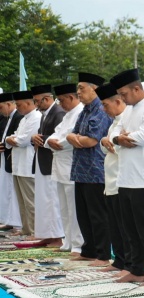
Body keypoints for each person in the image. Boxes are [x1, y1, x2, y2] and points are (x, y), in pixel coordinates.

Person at [109, 69, 144, 286]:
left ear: (137, 88)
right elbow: (114, 133)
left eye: (124, 93)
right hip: (125, 177)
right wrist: (120, 138)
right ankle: (135, 269)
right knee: (130, 229)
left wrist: (123, 137)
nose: (121, 99)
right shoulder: (129, 110)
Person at [67, 72, 112, 265]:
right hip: (80, 169)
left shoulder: (101, 110)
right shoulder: (85, 110)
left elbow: (91, 140)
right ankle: (89, 249)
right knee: (83, 213)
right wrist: (77, 139)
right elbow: (72, 135)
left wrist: (77, 139)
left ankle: (102, 254)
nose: (78, 92)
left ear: (94, 88)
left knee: (97, 214)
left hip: (95, 170)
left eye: (81, 88)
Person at [44, 84, 84, 254]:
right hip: (60, 167)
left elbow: (70, 140)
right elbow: (55, 134)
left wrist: (55, 143)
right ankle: (68, 241)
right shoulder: (68, 115)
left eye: (61, 100)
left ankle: (77, 244)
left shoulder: (80, 113)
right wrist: (50, 142)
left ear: (71, 97)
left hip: (71, 165)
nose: (60, 104)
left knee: (74, 208)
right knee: (64, 208)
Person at [96, 83, 132, 274]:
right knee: (115, 224)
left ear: (117, 101)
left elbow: (127, 144)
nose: (103, 109)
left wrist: (111, 142)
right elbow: (107, 145)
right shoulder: (114, 121)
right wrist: (104, 140)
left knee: (124, 226)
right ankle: (118, 259)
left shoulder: (128, 119)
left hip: (122, 179)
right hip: (110, 179)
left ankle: (128, 262)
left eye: (105, 105)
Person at [30, 84, 66, 247]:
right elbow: (42, 136)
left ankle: (57, 236)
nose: (36, 105)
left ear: (47, 98)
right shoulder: (45, 114)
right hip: (42, 160)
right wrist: (35, 138)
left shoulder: (58, 113)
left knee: (52, 200)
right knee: (44, 200)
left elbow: (60, 137)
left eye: (38, 101)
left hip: (52, 161)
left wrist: (42, 138)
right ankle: (48, 234)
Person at [5, 91, 41, 239]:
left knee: (30, 200)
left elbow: (22, 140)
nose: (18, 108)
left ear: (28, 103)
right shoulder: (24, 119)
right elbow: (12, 138)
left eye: (19, 105)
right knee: (21, 201)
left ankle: (34, 230)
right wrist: (12, 139)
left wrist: (12, 139)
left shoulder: (36, 117)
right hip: (17, 164)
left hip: (27, 164)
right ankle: (26, 228)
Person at [0, 93, 23, 232]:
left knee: (12, 191)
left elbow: (17, 139)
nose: (1, 111)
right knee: (6, 189)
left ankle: (15, 222)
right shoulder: (9, 117)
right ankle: (9, 219)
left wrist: (5, 142)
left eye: (1, 107)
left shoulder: (18, 117)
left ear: (9, 104)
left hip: (14, 159)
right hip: (7, 159)